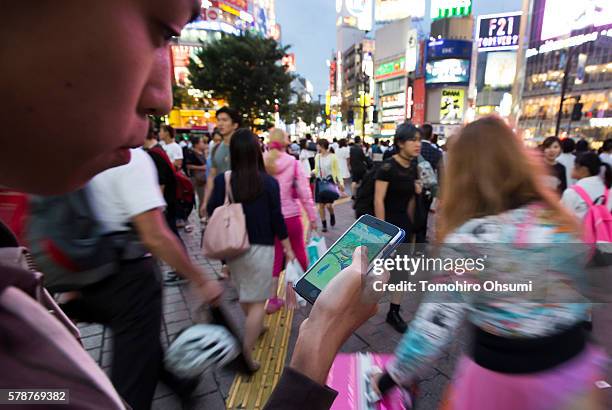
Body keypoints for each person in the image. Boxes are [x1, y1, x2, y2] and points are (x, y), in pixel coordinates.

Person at [0, 3, 381, 409]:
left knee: (142, 353)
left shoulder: (18, 305)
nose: (162, 99)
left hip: (215, 254)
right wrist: (317, 336)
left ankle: (185, 381)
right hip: (250, 247)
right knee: (139, 365)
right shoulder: (21, 368)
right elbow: (155, 231)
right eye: (163, 31)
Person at [372, 116, 606, 410]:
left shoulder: (472, 237)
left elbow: (434, 327)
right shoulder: (557, 218)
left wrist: (388, 378)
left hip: (502, 379)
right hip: (575, 374)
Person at [58, 148, 222, 409]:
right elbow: (154, 234)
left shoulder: (75, 154)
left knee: (139, 342)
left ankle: (180, 383)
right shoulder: (130, 158)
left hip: (86, 269)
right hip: (129, 276)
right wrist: (199, 278)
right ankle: (170, 387)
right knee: (132, 382)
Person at [207, 129, 294, 370]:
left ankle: (257, 324)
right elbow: (277, 218)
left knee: (247, 293)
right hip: (261, 248)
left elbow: (213, 210)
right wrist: (287, 247)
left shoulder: (222, 180)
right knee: (257, 302)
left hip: (233, 247)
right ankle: (244, 353)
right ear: (257, 150)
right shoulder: (267, 182)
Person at [264, 129, 317, 314]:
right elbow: (304, 192)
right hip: (292, 217)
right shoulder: (292, 162)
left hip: (270, 219)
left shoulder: (263, 161)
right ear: (285, 141)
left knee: (276, 256)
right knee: (299, 251)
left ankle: (272, 299)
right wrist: (312, 216)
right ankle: (306, 290)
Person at [374, 124, 421, 333]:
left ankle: (394, 311)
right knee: (379, 273)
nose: (418, 144)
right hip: (387, 224)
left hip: (404, 224)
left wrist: (412, 227)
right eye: (413, 140)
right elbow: (378, 199)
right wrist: (383, 232)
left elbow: (411, 200)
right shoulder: (387, 167)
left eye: (420, 139)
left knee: (401, 272)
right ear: (401, 143)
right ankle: (357, 309)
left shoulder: (414, 166)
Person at [201, 107, 241, 215]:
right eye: (218, 120)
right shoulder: (215, 148)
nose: (220, 124)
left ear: (235, 125)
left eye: (225, 120)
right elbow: (211, 176)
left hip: (240, 199)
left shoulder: (243, 147)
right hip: (220, 198)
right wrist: (205, 201)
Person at [562, 152, 612, 219]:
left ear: (583, 170)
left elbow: (563, 217)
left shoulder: (572, 192)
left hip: (578, 229)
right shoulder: (608, 188)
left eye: (574, 166)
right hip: (604, 229)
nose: (572, 168)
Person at [313, 139, 343, 233]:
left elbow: (337, 170)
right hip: (320, 182)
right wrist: (312, 172)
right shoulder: (317, 156)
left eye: (317, 145)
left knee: (329, 205)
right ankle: (324, 224)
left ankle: (332, 214)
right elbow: (317, 169)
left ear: (321, 146)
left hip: (330, 182)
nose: (316, 147)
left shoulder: (333, 157)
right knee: (321, 205)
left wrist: (340, 183)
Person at [185, 136, 207, 209]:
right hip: (196, 178)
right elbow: (188, 166)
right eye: (201, 142)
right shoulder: (191, 153)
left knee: (203, 198)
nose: (203, 144)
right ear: (196, 144)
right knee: (199, 197)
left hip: (204, 178)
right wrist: (202, 167)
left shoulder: (203, 152)